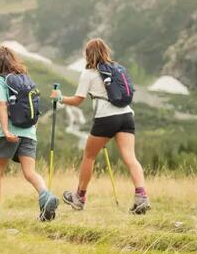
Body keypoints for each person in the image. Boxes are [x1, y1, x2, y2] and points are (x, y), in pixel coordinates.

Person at [50, 38, 150, 214]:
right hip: (126, 115)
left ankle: (79, 197)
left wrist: (60, 98)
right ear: (105, 51)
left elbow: (77, 100)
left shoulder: (89, 73)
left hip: (106, 118)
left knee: (89, 156)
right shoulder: (118, 69)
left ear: (87, 54)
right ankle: (141, 196)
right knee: (130, 158)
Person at [0, 46, 59, 223]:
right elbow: (35, 106)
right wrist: (32, 130)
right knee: (30, 172)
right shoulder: (25, 79)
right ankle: (45, 196)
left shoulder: (0, 81)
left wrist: (6, 130)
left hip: (9, 132)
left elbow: (2, 104)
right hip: (30, 132)